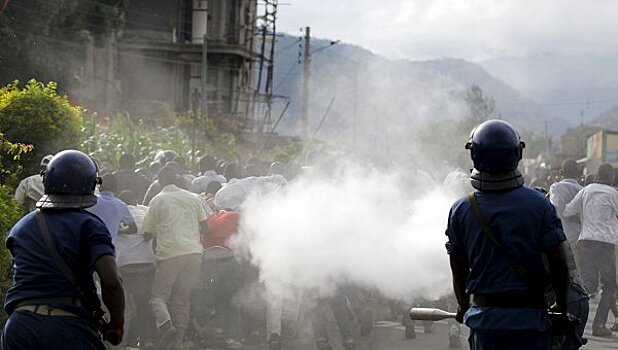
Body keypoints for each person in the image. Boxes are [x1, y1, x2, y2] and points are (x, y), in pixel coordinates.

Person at [446, 119, 571, 349]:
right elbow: (559, 266)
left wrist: (463, 306)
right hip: (531, 323)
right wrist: (561, 310)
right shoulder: (540, 205)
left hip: (485, 324)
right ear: (517, 154)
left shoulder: (461, 209)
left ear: (475, 155)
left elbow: (458, 270)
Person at [2, 150, 125, 349]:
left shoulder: (21, 227)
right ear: (91, 185)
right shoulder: (89, 225)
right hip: (67, 329)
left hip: (19, 327)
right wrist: (116, 326)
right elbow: (111, 281)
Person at [143, 166, 208, 350]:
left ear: (160, 182)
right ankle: (177, 343)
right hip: (194, 254)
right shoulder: (193, 198)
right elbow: (206, 227)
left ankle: (165, 325)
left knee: (158, 297)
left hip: (170, 254)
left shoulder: (158, 200)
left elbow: (147, 233)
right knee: (182, 300)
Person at [564, 162, 618, 336]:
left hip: (585, 243)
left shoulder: (585, 191)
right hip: (605, 244)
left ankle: (572, 320)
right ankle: (598, 325)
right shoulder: (614, 194)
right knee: (609, 286)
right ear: (611, 177)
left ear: (596, 175)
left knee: (587, 286)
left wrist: (585, 220)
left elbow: (567, 211)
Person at [116, 190, 156, 349]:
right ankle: (148, 340)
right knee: (144, 303)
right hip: (147, 264)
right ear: (137, 200)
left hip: (124, 266)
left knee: (124, 306)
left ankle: (128, 342)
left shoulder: (117, 215)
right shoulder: (146, 212)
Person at [87, 173, 137, 243]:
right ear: (116, 189)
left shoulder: (90, 201)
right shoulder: (120, 205)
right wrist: (119, 231)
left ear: (99, 187)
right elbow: (133, 229)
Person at [549, 160, 583, 248]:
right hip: (579, 237)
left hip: (561, 237)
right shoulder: (583, 190)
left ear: (562, 173)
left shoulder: (556, 187)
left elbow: (554, 208)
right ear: (578, 173)